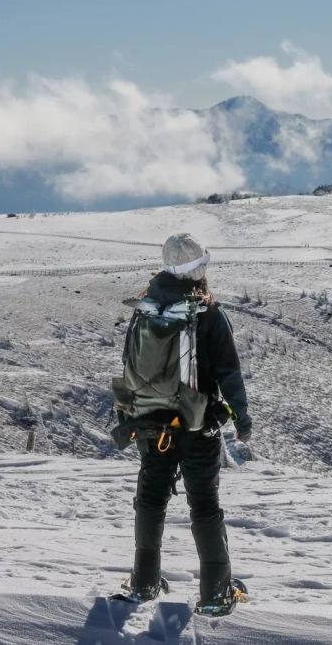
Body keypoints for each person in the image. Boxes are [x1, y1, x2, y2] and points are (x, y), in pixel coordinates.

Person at [115, 232, 252, 615]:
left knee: (150, 501)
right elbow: (229, 373)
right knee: (205, 505)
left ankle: (143, 582)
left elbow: (130, 367)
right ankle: (216, 592)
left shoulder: (144, 309)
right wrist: (242, 419)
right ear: (199, 269)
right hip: (197, 425)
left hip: (150, 426)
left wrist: (131, 416)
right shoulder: (206, 312)